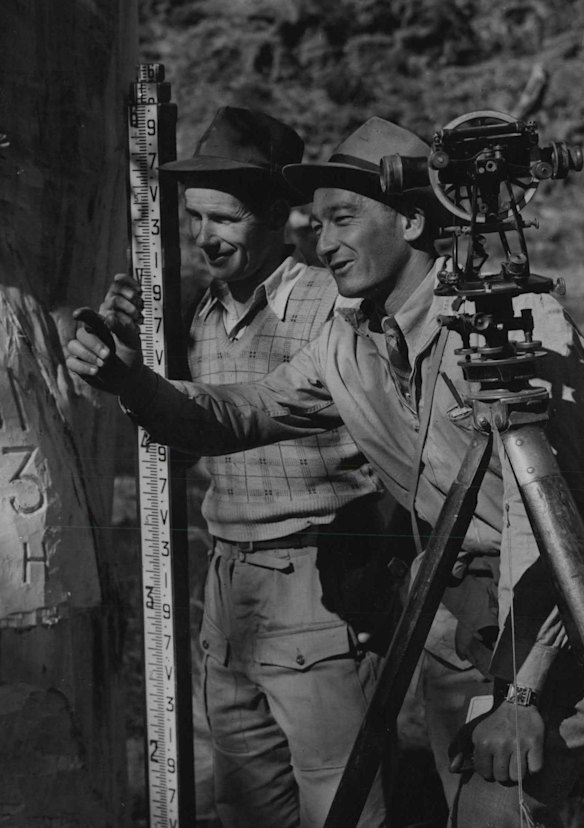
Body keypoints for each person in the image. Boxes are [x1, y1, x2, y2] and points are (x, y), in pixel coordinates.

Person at [67, 116, 584, 828]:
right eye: (320, 223)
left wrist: (521, 697)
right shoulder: (351, 338)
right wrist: (133, 381)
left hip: (543, 630)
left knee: (509, 811)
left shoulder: (511, 322)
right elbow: (244, 412)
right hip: (452, 623)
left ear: (410, 220)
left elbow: (554, 517)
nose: (326, 242)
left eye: (344, 220)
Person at [116, 105, 398, 828]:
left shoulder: (330, 305)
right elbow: (186, 432)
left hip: (316, 583)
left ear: (278, 215)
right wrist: (131, 346)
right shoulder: (199, 313)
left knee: (340, 804)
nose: (205, 238)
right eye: (196, 220)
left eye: (226, 220)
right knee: (249, 805)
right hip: (228, 590)